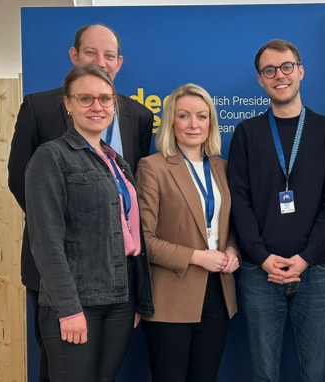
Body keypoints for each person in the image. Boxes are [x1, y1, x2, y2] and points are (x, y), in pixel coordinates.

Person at [7, 24, 153, 382]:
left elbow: (129, 222)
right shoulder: (51, 154)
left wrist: (137, 297)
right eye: (85, 99)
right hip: (74, 290)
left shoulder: (114, 157)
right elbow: (44, 227)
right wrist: (68, 305)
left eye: (105, 99)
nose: (97, 106)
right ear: (68, 104)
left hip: (119, 293)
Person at [227, 39, 325, 382]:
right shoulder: (246, 133)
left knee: (314, 372)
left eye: (286, 67)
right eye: (269, 70)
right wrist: (263, 257)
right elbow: (241, 202)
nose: (279, 75)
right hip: (258, 272)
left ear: (301, 71)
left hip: (317, 270)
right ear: (260, 80)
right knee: (264, 372)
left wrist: (307, 257)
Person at [135, 83, 239, 382]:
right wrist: (196, 257)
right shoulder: (152, 167)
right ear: (171, 122)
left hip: (218, 295)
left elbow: (230, 227)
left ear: (211, 123)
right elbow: (145, 240)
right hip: (171, 298)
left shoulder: (223, 168)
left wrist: (232, 251)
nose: (194, 124)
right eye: (184, 116)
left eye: (202, 116)